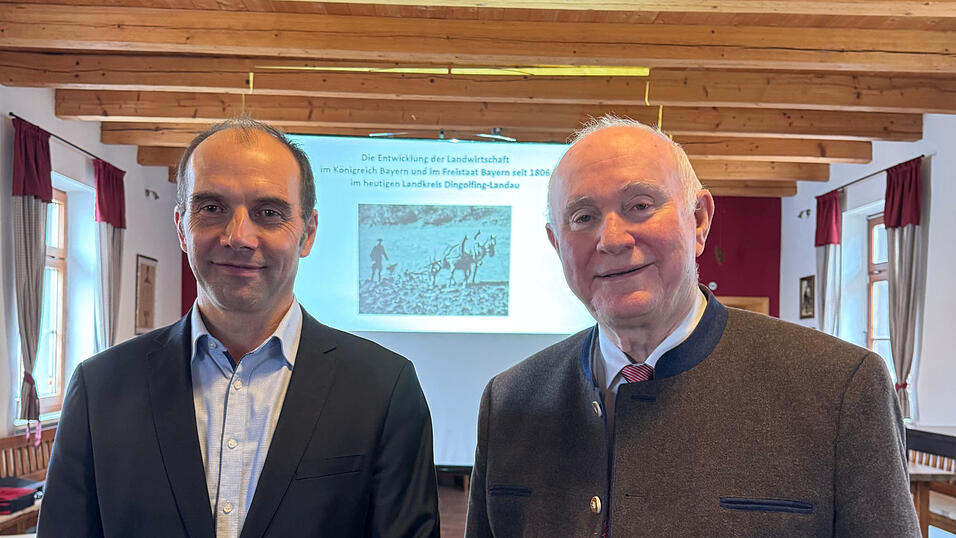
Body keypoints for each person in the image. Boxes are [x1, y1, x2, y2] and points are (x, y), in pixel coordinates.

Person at [465, 116, 919, 537]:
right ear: (556, 243)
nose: (612, 239)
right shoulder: (509, 401)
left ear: (698, 221)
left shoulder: (839, 389)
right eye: (583, 218)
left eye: (639, 205)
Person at [39, 118, 440, 538]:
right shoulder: (100, 387)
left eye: (269, 213)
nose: (239, 236)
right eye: (212, 208)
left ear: (308, 233)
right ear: (181, 227)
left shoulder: (384, 388)